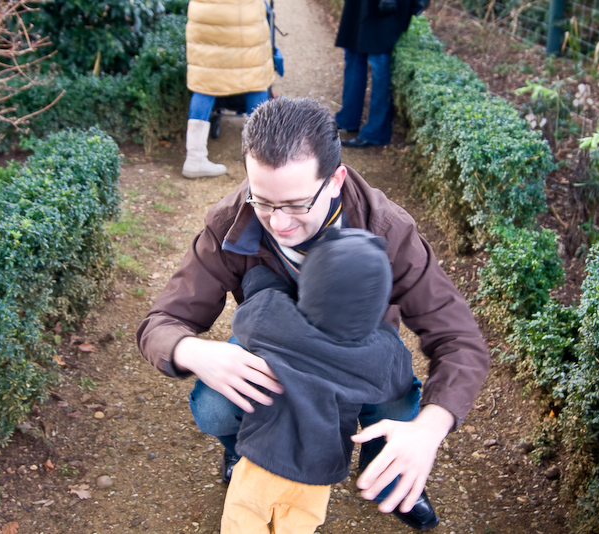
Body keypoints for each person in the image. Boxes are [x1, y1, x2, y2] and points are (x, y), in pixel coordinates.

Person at [136, 97, 490, 531]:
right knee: (213, 406)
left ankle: (390, 471)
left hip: (361, 356)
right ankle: (242, 446)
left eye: (297, 205)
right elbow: (160, 323)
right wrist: (193, 351)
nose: (278, 223)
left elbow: (460, 341)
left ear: (336, 179)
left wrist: (429, 429)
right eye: (262, 200)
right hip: (273, 354)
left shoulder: (389, 229)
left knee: (400, 406)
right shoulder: (229, 221)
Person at [221, 228, 413, 534]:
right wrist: (384, 334)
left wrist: (262, 278)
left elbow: (255, 295)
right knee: (299, 524)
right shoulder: (380, 355)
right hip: (319, 471)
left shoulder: (275, 320)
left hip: (263, 458)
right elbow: (401, 380)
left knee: (244, 518)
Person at [182, 0, 275, 178]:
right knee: (254, 77)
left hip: (205, 13)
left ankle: (194, 158)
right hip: (243, 14)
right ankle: (262, 160)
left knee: (204, 80)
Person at [335, 0, 428, 148]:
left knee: (379, 62)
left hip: (387, 6)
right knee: (353, 54)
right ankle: (347, 119)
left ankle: (375, 132)